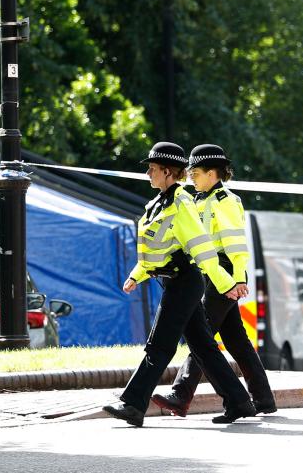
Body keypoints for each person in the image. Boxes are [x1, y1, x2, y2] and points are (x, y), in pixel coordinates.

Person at [102, 142, 256, 427]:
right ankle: (239, 401)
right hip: (172, 280)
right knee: (204, 347)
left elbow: (202, 249)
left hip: (185, 282)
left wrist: (227, 283)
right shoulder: (157, 204)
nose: (148, 173)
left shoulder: (181, 203)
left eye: (152, 168)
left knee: (159, 344)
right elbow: (153, 250)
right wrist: (137, 274)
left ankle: (133, 404)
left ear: (168, 171)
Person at [151, 144, 277, 417]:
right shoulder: (197, 200)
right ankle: (263, 399)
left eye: (195, 172)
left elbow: (236, 245)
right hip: (207, 274)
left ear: (212, 173)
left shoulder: (226, 201)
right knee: (236, 341)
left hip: (224, 273)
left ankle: (181, 394)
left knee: (201, 336)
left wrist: (237, 278)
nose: (191, 177)